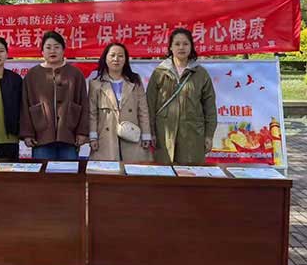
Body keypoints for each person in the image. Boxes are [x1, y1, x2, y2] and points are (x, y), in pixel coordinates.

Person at [146, 28, 217, 164]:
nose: (181, 47)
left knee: (191, 174)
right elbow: (150, 104)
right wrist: (151, 132)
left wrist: (209, 135)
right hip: (164, 135)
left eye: (185, 44)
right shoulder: (160, 73)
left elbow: (210, 108)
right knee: (165, 172)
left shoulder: (201, 74)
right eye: (177, 44)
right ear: (170, 47)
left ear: (191, 47)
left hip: (193, 136)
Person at [20, 31, 89, 160]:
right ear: (42, 52)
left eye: (57, 47)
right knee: (43, 172)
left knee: (69, 171)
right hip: (41, 138)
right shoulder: (32, 75)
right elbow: (25, 105)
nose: (53, 51)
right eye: (48, 47)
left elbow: (84, 104)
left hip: (69, 137)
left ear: (63, 50)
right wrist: (27, 134)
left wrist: (82, 132)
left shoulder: (75, 74)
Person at [88, 43, 152, 161]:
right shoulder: (95, 83)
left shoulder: (135, 81)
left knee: (133, 170)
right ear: (105, 58)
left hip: (132, 136)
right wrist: (93, 137)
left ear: (126, 59)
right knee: (107, 170)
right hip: (106, 137)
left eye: (120, 56)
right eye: (112, 55)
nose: (116, 59)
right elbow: (92, 113)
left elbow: (143, 110)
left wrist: (146, 135)